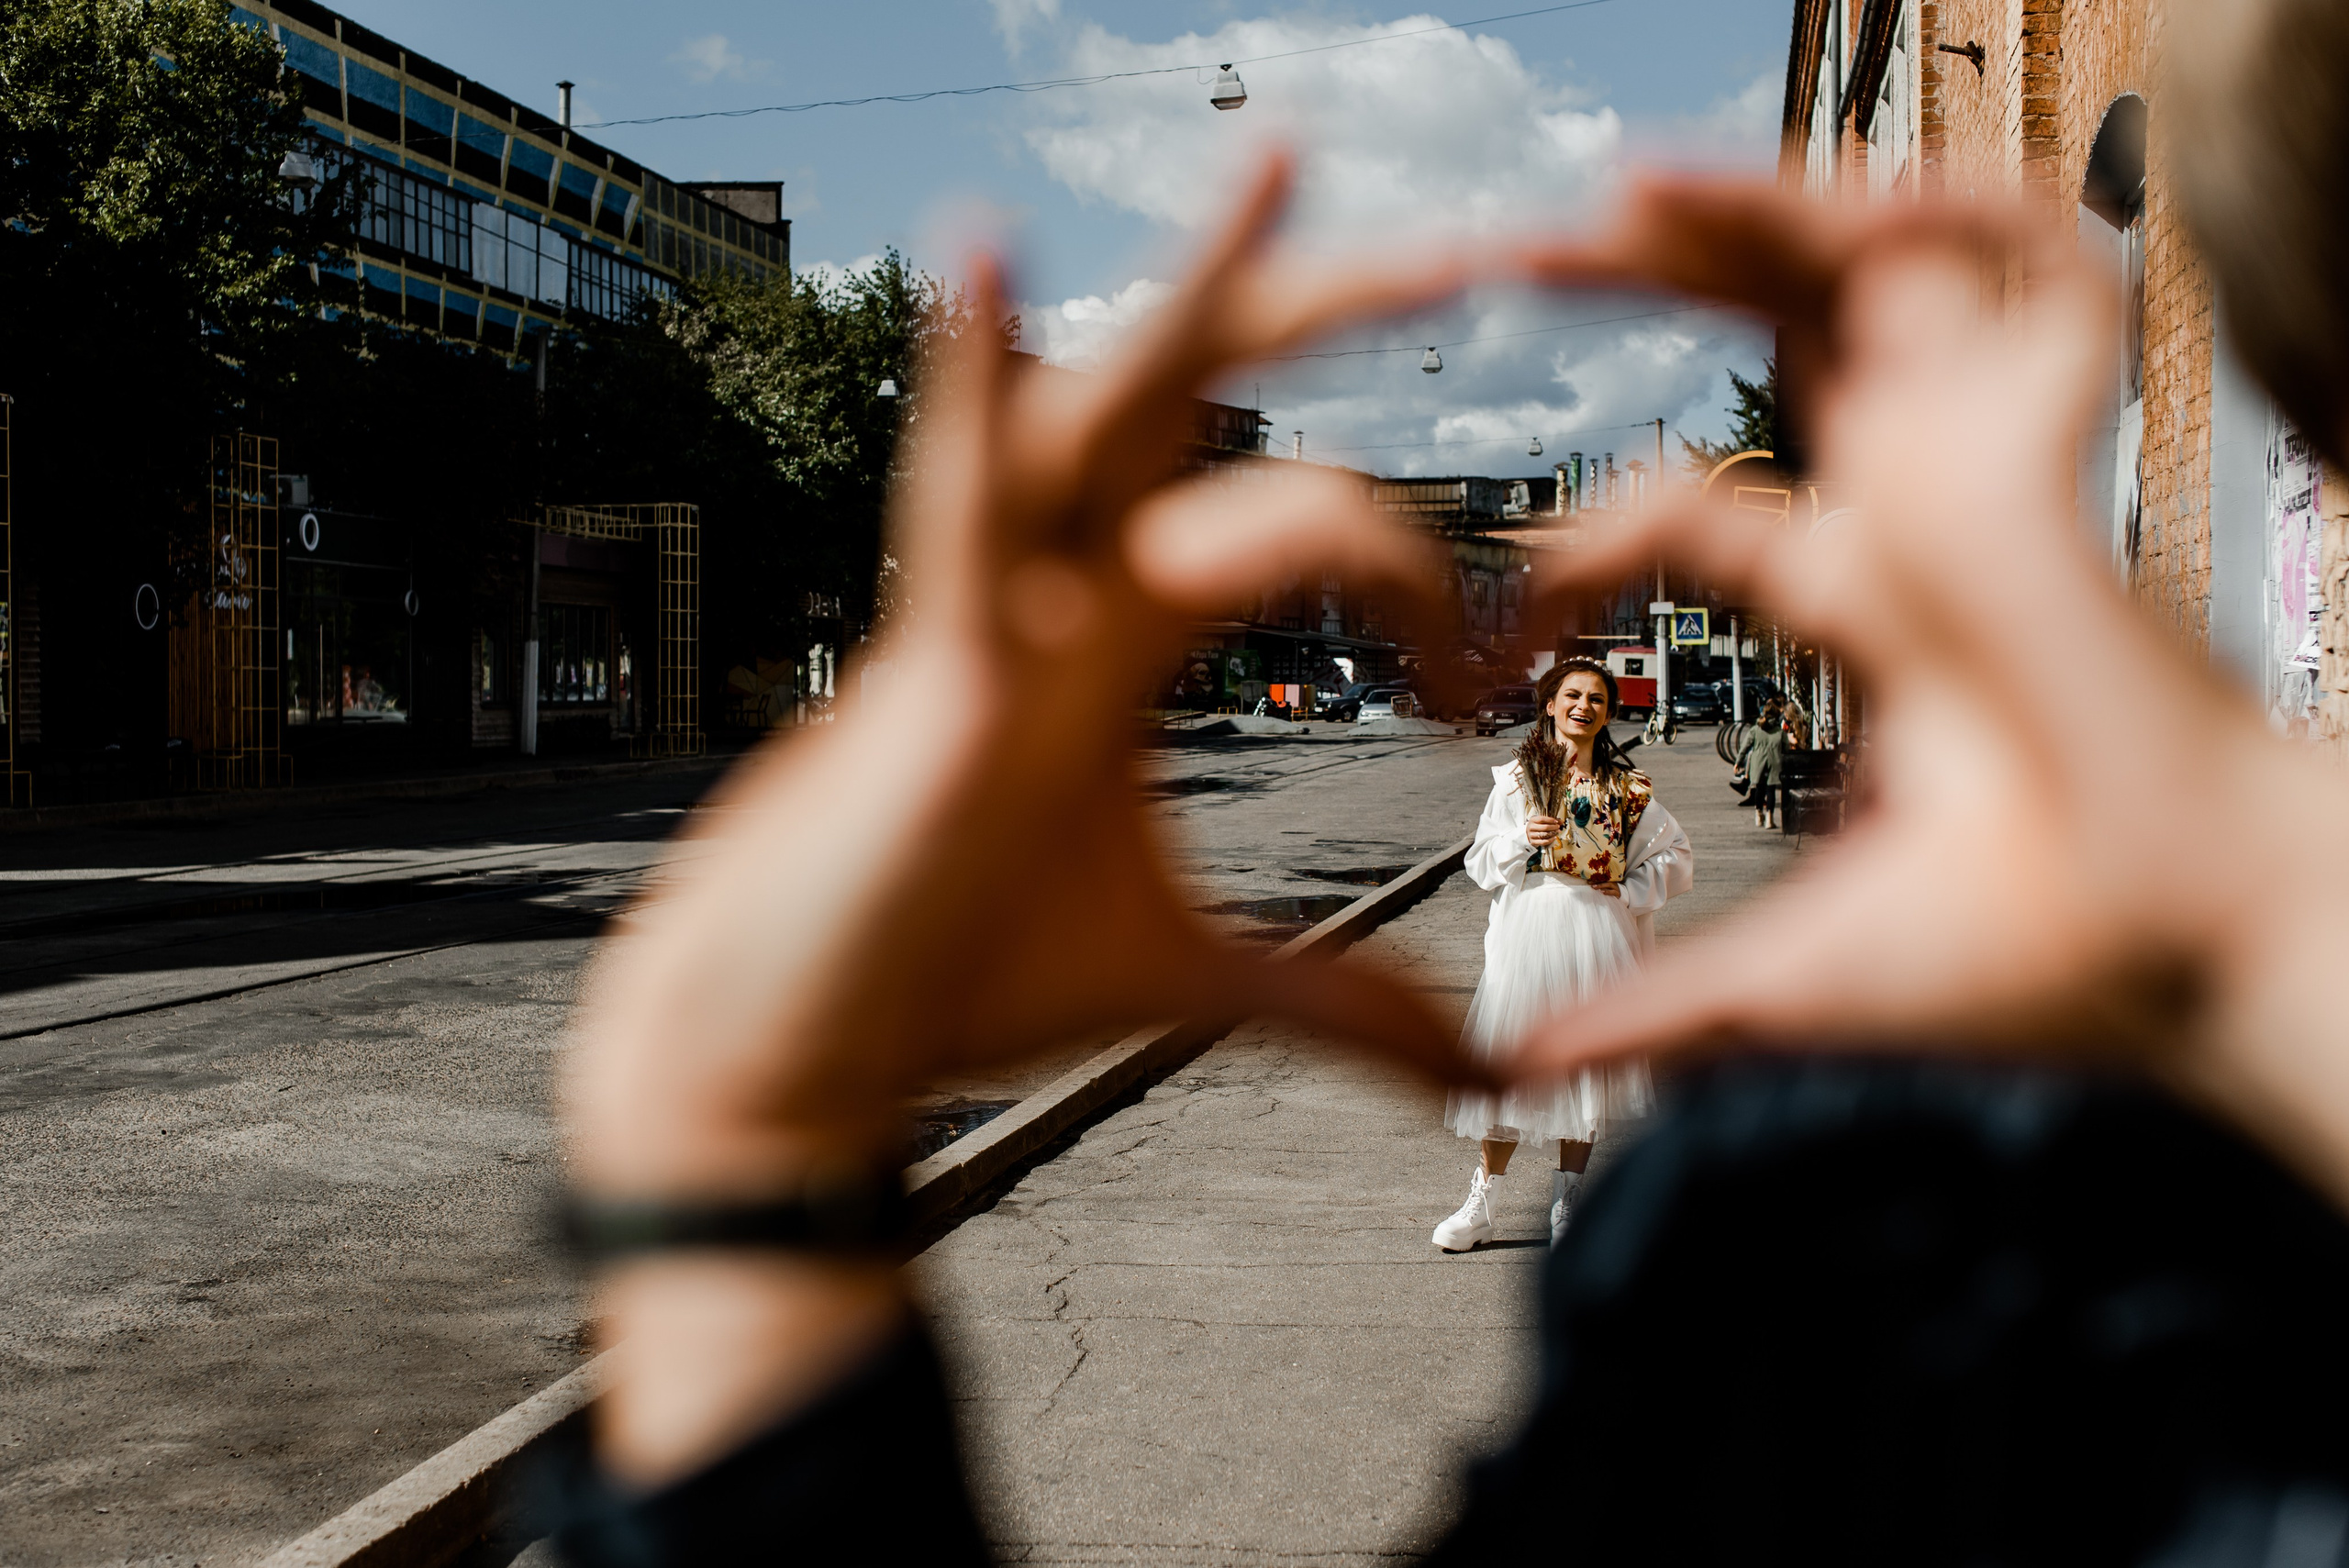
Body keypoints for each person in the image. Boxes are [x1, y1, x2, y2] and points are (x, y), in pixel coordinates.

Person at [543, 0, 2349, 1548]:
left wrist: (729, 1161)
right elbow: (1506, 854)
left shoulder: (1831, 1262)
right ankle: (1501, 1177)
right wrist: (2252, 903)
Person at [1431, 656, 1692, 1251]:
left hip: (1598, 931)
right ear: (1549, 704)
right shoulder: (1516, 780)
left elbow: (1675, 857)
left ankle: (1566, 1207)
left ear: (1608, 713)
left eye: (1596, 699)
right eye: (1572, 695)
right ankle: (1482, 1202)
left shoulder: (1628, 788)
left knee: (1584, 1074)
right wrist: (1524, 837)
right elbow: (1479, 861)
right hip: (1529, 930)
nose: (1583, 706)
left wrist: (1628, 888)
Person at [1737, 697, 1788, 828]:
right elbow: (1786, 749)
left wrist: (1738, 762)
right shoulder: (1779, 731)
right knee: (1771, 789)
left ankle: (1759, 816)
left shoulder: (1755, 729)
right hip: (1775, 760)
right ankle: (1770, 819)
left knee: (1759, 788)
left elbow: (1744, 747)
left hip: (1758, 760)